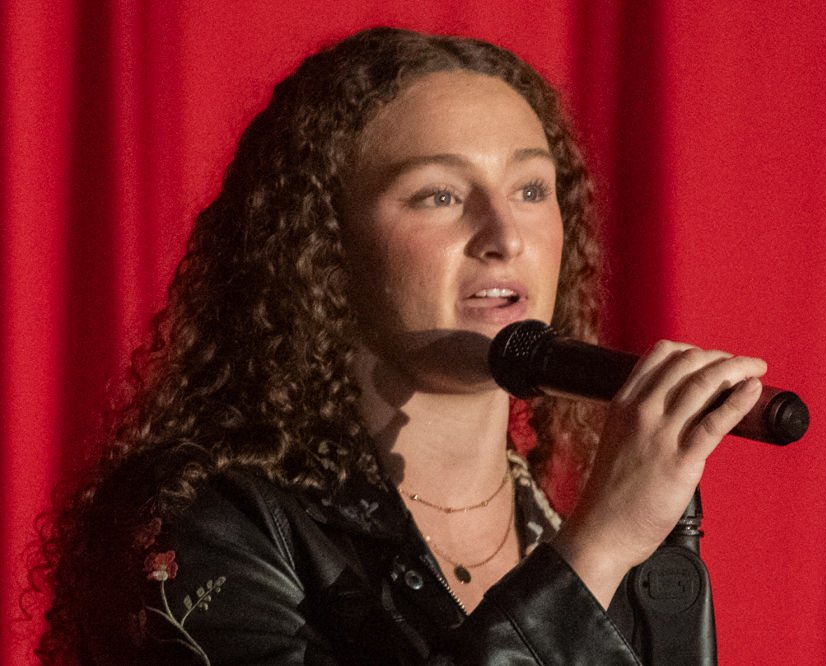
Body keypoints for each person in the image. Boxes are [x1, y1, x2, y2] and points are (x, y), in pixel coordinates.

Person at [32, 27, 766, 664]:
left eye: (531, 190)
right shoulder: (204, 520)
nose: (505, 236)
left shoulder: (550, 524)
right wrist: (596, 551)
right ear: (323, 246)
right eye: (439, 195)